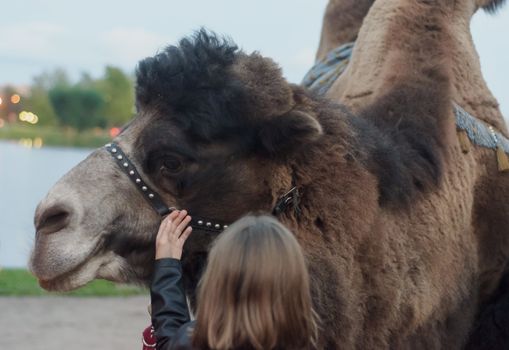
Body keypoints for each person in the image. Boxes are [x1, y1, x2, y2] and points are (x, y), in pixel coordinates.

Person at [142, 209, 318, 350]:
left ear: (217, 283)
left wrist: (167, 265)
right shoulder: (317, 342)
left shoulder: (190, 343)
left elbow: (170, 341)